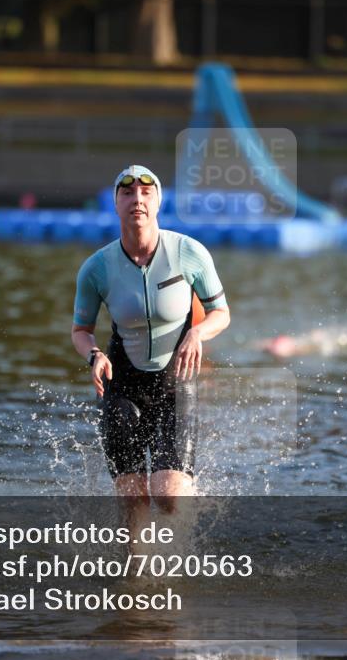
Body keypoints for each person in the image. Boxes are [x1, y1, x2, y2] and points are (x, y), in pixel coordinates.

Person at [71, 165, 230, 539]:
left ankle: (181, 537)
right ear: (116, 204)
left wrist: (197, 333)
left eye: (146, 193)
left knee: (168, 496)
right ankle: (136, 569)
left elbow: (221, 313)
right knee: (133, 499)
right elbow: (81, 332)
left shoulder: (188, 253)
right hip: (122, 383)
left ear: (158, 203)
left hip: (176, 382)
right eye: (127, 193)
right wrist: (95, 355)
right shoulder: (97, 268)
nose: (137, 200)